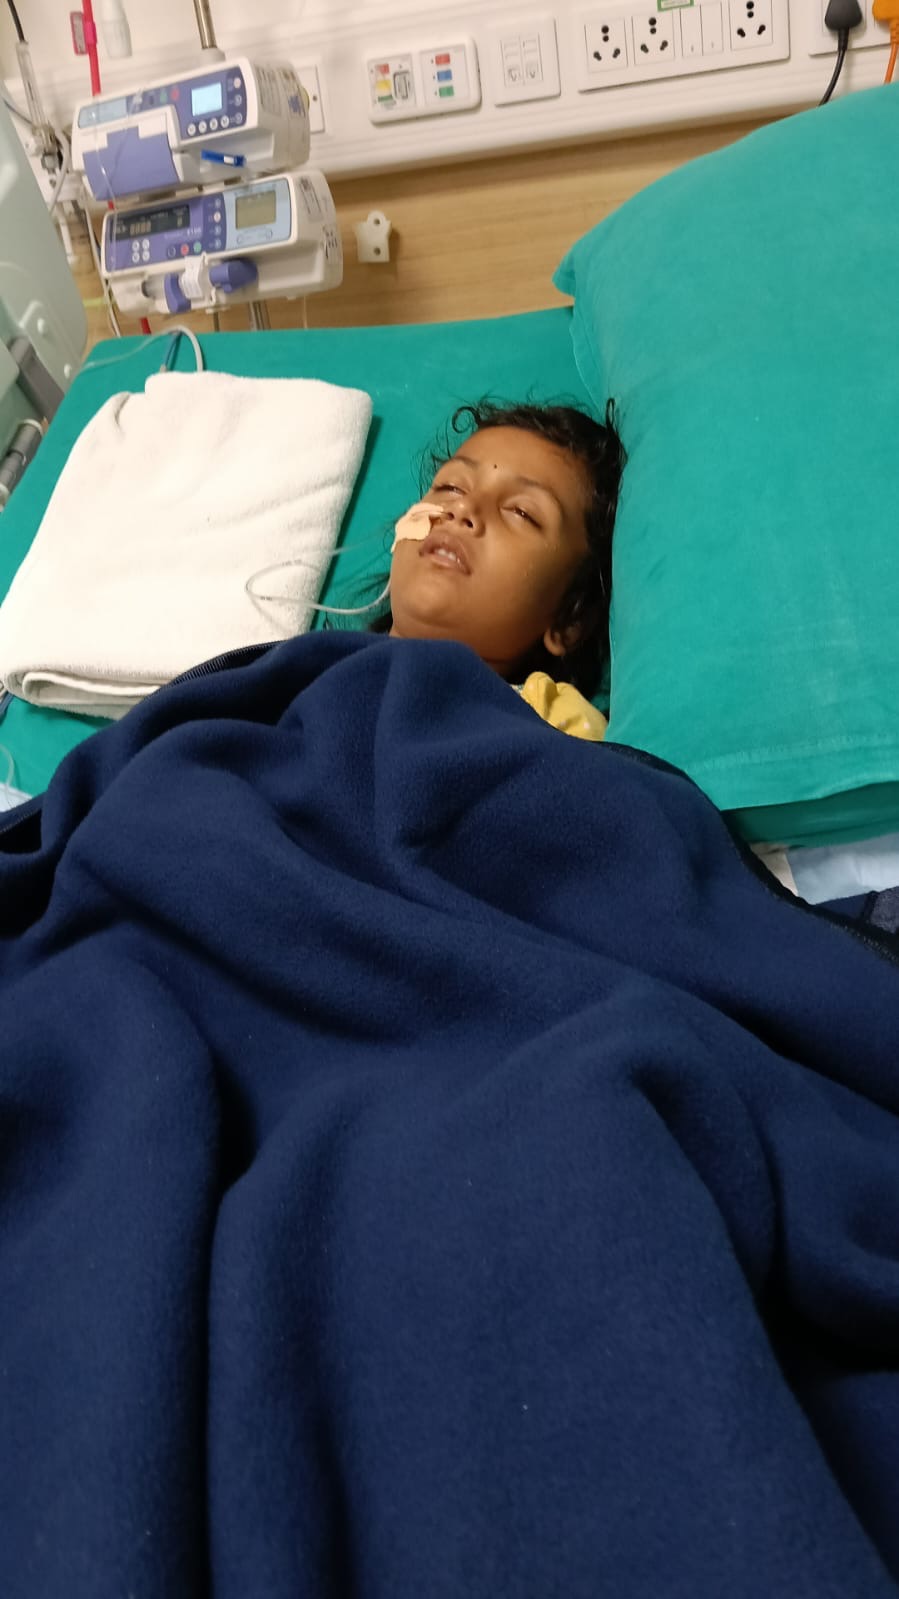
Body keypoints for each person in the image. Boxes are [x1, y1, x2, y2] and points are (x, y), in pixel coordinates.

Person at [369, 400, 624, 741]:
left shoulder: (553, 726)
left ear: (569, 620)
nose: (463, 507)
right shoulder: (309, 668)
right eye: (450, 487)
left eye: (521, 512)